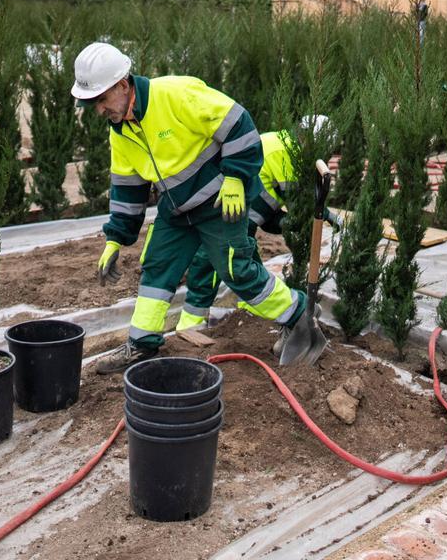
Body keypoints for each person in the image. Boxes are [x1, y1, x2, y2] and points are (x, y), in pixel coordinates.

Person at [72, 42, 309, 374]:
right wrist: (115, 239)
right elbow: (127, 190)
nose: (99, 110)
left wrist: (235, 178)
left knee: (236, 270)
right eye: (92, 102)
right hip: (177, 208)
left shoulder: (176, 94)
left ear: (123, 85)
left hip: (220, 201)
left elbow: (240, 123)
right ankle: (141, 345)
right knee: (157, 268)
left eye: (101, 99)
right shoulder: (121, 133)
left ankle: (298, 315)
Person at [176, 118, 341, 354]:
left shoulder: (281, 142)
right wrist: (310, 217)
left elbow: (283, 203)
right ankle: (192, 323)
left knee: (243, 263)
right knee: (211, 262)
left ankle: (251, 305)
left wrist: (322, 215)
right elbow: (299, 205)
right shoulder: (286, 155)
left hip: (240, 209)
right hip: (228, 207)